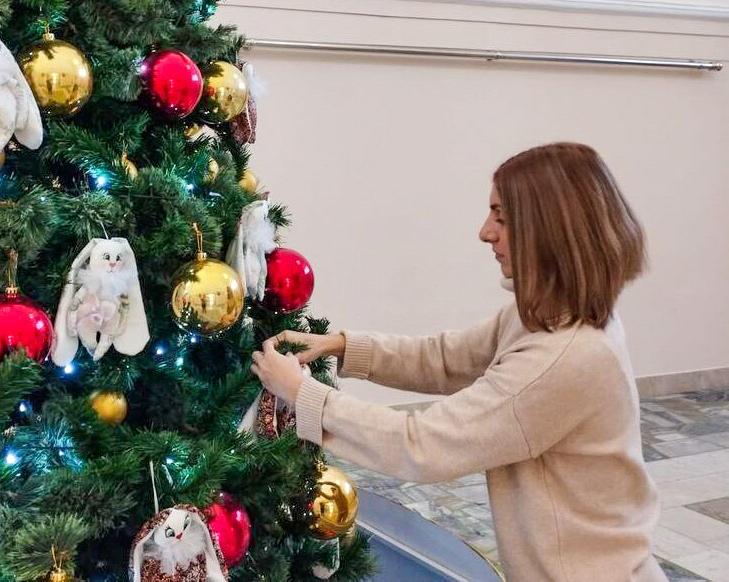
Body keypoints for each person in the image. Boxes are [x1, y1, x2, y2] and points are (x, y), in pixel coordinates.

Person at [251, 143, 663, 581]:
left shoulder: (565, 355)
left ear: (550, 229)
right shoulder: (547, 315)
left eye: (502, 218)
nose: (485, 232)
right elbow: (444, 358)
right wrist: (341, 346)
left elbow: (424, 445)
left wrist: (300, 393)